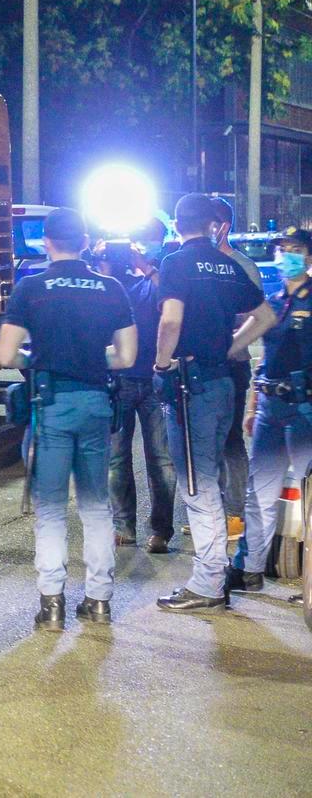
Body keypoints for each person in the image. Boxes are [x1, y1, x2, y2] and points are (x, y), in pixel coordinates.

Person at [0, 208, 137, 629]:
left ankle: (52, 604)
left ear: (46, 240)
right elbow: (126, 356)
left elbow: (6, 355)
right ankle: (98, 601)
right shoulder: (111, 288)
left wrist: (39, 358)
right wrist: (92, 360)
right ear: (86, 240)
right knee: (96, 508)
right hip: (96, 402)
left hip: (52, 403)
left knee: (52, 509)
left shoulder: (31, 287)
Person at [153, 194, 276, 613]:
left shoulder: (176, 263)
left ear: (176, 222)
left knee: (197, 482)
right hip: (224, 382)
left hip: (191, 386)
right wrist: (231, 346)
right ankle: (216, 573)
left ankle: (207, 583)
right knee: (211, 476)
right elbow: (265, 316)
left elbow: (170, 320)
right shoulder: (229, 264)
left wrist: (161, 361)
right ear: (211, 224)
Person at [229, 228, 312, 593]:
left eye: (294, 250)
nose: (286, 256)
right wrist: (251, 404)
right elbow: (259, 358)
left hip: (305, 410)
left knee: (309, 495)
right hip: (270, 407)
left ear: (308, 257)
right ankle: (248, 568)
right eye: (282, 250)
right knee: (259, 493)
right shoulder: (274, 302)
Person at [100, 219, 177, 554]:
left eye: (150, 240)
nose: (143, 245)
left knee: (161, 460)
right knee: (117, 459)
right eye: (138, 241)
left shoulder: (165, 271)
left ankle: (161, 530)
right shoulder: (114, 282)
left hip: (156, 381)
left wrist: (145, 266)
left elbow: (170, 304)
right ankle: (123, 525)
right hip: (120, 382)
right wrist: (103, 262)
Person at [210, 197, 262, 542]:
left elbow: (256, 316)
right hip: (203, 367)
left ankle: (235, 515)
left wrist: (225, 338)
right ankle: (213, 512)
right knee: (205, 443)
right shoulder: (197, 263)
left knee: (229, 441)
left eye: (208, 224)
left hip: (232, 364)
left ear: (222, 226)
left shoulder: (242, 266)